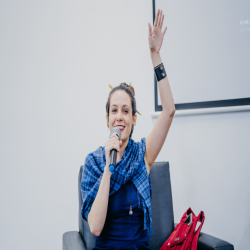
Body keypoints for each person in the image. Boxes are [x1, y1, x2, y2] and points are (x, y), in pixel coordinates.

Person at [81, 9, 175, 250]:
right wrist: (108, 169)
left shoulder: (142, 154)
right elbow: (95, 228)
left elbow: (169, 111)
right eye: (114, 110)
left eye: (125, 111)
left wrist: (155, 55)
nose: (119, 117)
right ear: (107, 118)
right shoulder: (93, 163)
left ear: (134, 119)